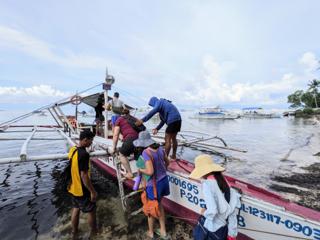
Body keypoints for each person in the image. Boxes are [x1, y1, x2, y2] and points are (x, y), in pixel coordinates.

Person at [189, 155, 241, 240]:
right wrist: (232, 234)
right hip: (223, 229)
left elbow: (212, 210)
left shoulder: (207, 185)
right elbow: (232, 212)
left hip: (212, 228)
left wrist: (204, 213)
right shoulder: (224, 181)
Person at [133, 130, 170, 240]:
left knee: (150, 208)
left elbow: (150, 172)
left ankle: (151, 232)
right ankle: (163, 232)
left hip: (154, 185)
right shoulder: (160, 149)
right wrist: (162, 172)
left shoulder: (146, 153)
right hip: (164, 181)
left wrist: (139, 169)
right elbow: (167, 162)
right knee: (159, 204)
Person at [68, 129, 98, 239]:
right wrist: (92, 191)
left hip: (72, 187)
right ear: (85, 140)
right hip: (82, 189)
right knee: (91, 211)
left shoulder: (73, 150)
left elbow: (76, 162)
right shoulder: (84, 154)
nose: (91, 143)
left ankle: (74, 232)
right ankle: (94, 232)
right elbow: (84, 176)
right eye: (91, 140)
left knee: (76, 209)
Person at [112, 108, 139, 178]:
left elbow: (115, 135)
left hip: (130, 139)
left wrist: (114, 148)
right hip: (140, 140)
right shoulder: (134, 118)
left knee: (122, 154)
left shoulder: (119, 119)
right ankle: (140, 172)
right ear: (129, 113)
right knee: (138, 156)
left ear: (121, 114)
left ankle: (130, 173)